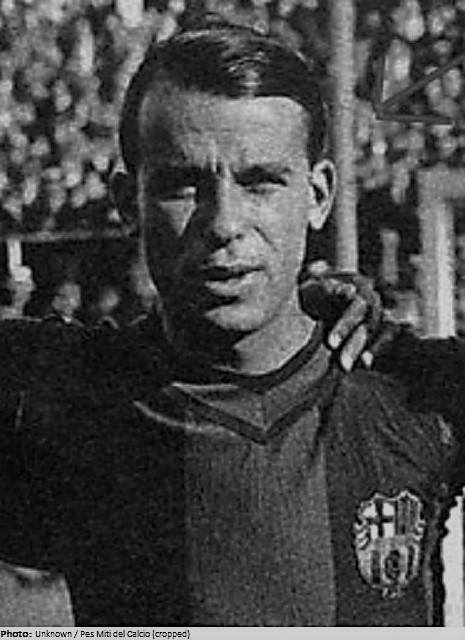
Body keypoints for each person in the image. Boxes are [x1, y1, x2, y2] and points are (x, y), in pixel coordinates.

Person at [0, 20, 463, 627]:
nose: (224, 223)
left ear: (318, 196)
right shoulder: (55, 390)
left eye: (260, 182)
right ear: (126, 201)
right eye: (183, 185)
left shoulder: (416, 391)